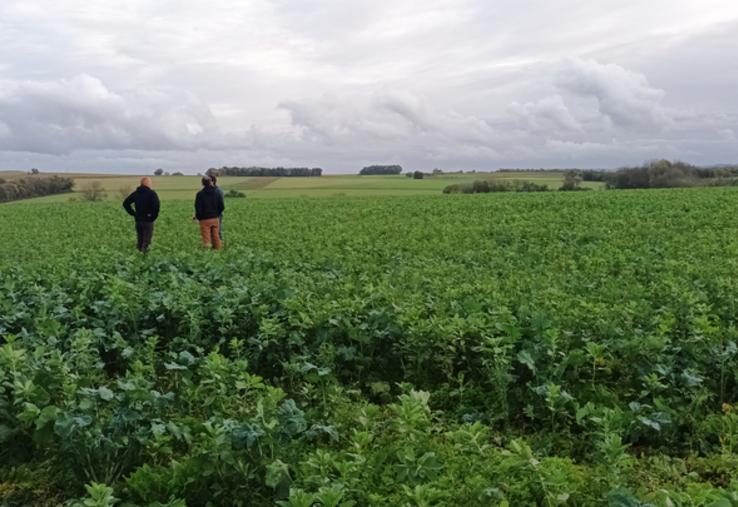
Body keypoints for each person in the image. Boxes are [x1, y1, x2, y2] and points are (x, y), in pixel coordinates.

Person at [123, 177, 160, 253]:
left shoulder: (136, 193)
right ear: (147, 183)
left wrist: (133, 213)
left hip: (138, 220)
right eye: (150, 183)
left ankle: (138, 258)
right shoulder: (152, 194)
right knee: (146, 242)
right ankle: (143, 259)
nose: (151, 184)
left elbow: (126, 203)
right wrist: (152, 217)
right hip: (147, 221)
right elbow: (156, 206)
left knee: (140, 241)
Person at [195, 176, 224, 249]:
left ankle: (207, 254)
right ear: (211, 182)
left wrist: (198, 217)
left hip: (204, 219)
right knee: (216, 236)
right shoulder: (217, 192)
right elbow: (222, 206)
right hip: (215, 218)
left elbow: (198, 208)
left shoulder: (200, 194)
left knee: (206, 238)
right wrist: (217, 214)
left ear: (202, 183)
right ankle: (219, 251)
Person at [209, 174, 225, 241]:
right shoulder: (207, 191)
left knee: (217, 231)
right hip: (209, 214)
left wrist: (216, 213)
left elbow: (221, 205)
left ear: (213, 181)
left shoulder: (218, 191)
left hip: (216, 214)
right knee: (210, 231)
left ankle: (219, 246)